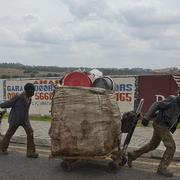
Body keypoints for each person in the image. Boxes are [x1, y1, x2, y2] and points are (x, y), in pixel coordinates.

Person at [127, 89, 180, 177]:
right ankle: (162, 168)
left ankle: (132, 155)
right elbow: (156, 104)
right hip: (161, 125)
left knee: (152, 145)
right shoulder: (172, 100)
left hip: (164, 126)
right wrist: (147, 117)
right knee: (171, 146)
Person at [0, 83, 39, 158]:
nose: (33, 93)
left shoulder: (29, 98)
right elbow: (9, 103)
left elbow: (26, 110)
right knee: (9, 134)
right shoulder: (18, 97)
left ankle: (30, 152)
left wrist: (27, 120)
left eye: (33, 91)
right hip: (15, 119)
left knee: (30, 132)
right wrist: (1, 105)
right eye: (32, 92)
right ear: (27, 91)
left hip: (24, 120)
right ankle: (2, 149)